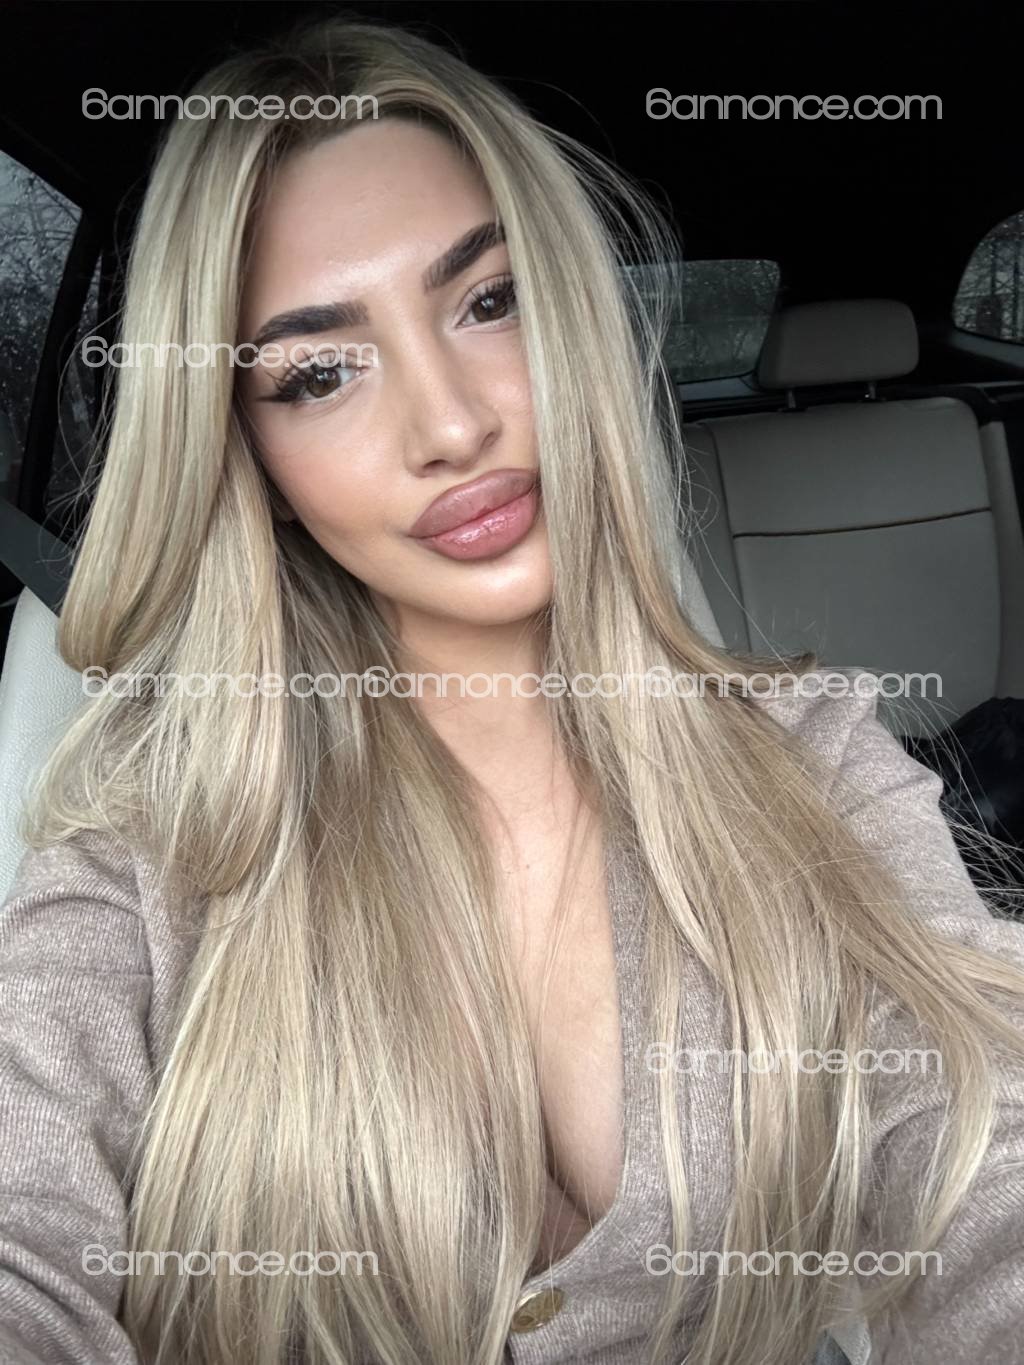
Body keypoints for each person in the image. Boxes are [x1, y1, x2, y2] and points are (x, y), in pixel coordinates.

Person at [2, 16, 1023, 1365]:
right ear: (251, 460)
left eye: (491, 301)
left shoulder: (805, 749)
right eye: (319, 373)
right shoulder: (147, 850)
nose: (451, 424)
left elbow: (980, 1141)